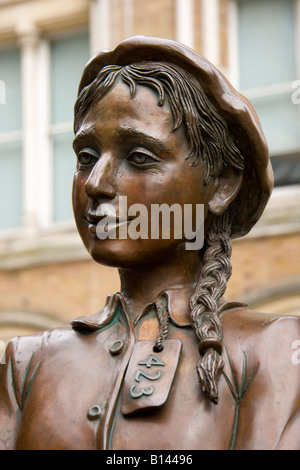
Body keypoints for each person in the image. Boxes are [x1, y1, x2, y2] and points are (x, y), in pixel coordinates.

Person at [1, 35, 300, 450]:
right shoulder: (26, 361)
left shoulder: (277, 352)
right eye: (86, 156)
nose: (97, 184)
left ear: (222, 185)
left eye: (139, 157)